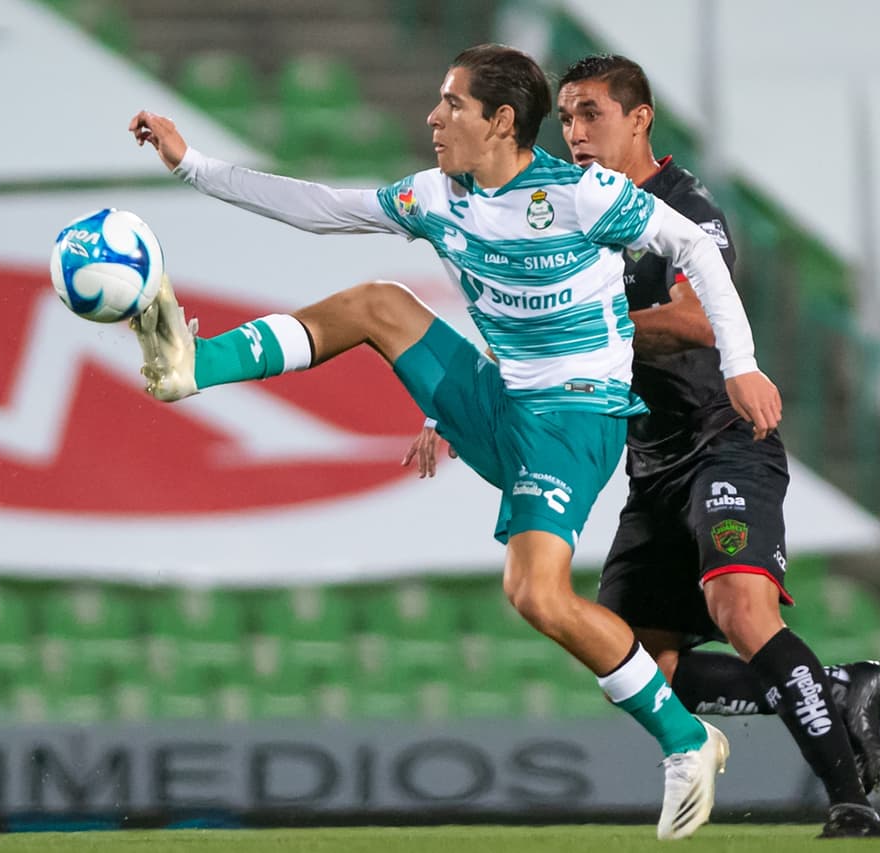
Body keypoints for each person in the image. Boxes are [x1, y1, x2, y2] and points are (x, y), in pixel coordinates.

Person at [128, 43, 783, 840]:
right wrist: (189, 163)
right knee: (378, 302)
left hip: (576, 417)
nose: (434, 118)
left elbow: (698, 251)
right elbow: (318, 206)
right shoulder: (437, 196)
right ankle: (197, 365)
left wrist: (741, 365)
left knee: (536, 594)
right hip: (500, 401)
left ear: (501, 121)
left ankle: (686, 740)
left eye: (452, 104)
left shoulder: (581, 194)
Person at [408, 54, 880, 839]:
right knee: (637, 665)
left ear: (641, 119)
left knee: (738, 606)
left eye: (591, 113)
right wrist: (464, 399)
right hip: (651, 461)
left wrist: (590, 334)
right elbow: (527, 312)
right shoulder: (565, 205)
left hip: (724, 445)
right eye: (565, 117)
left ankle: (850, 799)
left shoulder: (682, 206)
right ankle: (837, 685)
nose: (574, 132)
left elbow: (701, 317)